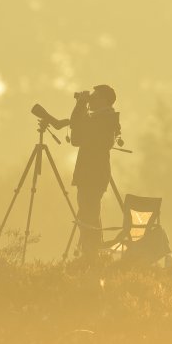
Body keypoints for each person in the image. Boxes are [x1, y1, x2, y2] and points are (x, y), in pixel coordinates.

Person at [69, 85, 120, 259]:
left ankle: (91, 254)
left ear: (105, 101)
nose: (91, 99)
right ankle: (92, 251)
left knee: (88, 213)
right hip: (91, 174)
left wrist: (80, 105)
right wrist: (82, 106)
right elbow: (77, 136)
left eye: (95, 97)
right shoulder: (101, 118)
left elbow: (76, 131)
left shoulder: (103, 119)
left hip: (92, 174)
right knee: (89, 212)